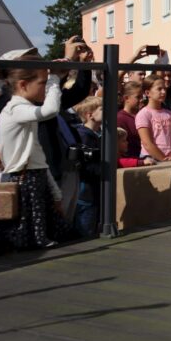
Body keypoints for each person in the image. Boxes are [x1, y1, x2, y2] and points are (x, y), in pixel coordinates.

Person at [0, 49, 71, 250]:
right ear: (23, 85)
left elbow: (37, 157)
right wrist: (53, 78)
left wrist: (55, 193)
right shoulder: (15, 110)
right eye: (42, 84)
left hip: (33, 181)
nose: (46, 88)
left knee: (39, 240)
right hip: (22, 184)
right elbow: (50, 110)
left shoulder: (25, 109)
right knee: (22, 241)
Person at [72, 96, 103, 238]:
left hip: (95, 187)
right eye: (102, 109)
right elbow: (85, 165)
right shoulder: (84, 136)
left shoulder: (98, 134)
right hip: (86, 189)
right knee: (86, 225)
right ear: (89, 115)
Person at [135, 74, 171, 161]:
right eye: (159, 89)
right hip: (151, 159)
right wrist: (163, 159)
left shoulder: (169, 114)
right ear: (147, 93)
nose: (163, 92)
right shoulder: (143, 114)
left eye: (164, 89)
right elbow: (147, 143)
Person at [116, 80, 143, 159]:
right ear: (126, 98)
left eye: (142, 97)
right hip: (132, 161)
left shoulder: (142, 115)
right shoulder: (120, 119)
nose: (141, 100)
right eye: (138, 97)